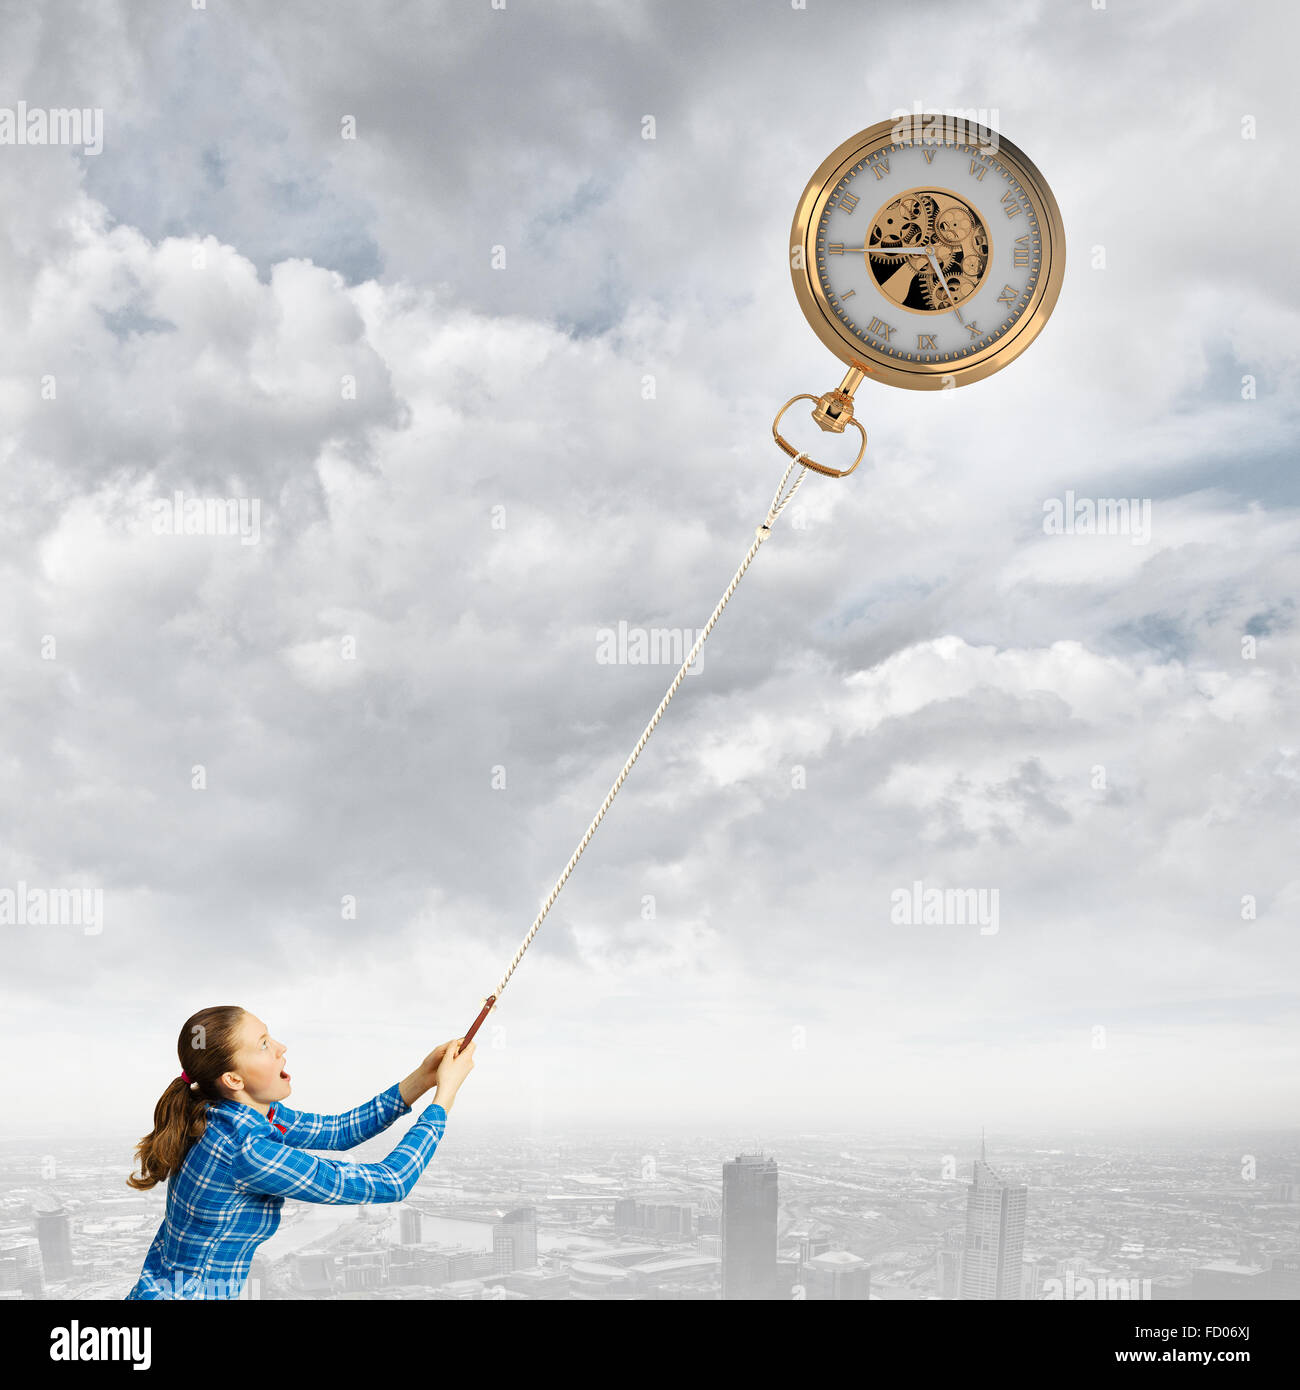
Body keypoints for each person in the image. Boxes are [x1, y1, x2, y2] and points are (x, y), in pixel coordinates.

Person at [124, 1004, 474, 1299]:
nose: (281, 1047)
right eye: (263, 1045)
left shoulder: (216, 1111)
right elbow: (392, 1182)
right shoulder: (247, 1150)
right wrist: (444, 1099)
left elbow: (338, 1131)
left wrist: (422, 1079)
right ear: (233, 1079)